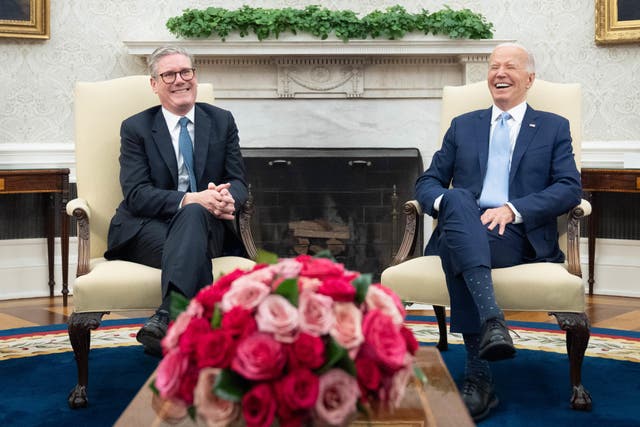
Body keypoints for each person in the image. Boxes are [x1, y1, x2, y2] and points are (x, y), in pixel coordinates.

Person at [415, 43, 581, 421]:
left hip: (515, 235)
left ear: (529, 79)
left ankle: (478, 374)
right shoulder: (464, 125)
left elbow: (569, 187)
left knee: (458, 245)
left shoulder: (553, 126)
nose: (499, 73)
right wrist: (449, 205)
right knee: (456, 201)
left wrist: (513, 209)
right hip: (463, 225)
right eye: (493, 66)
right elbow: (428, 182)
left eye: (510, 66)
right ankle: (493, 324)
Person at [104, 46, 249, 357]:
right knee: (194, 211)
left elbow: (238, 182)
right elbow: (136, 194)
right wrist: (192, 199)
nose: (180, 80)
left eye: (186, 72)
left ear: (195, 77)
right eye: (169, 74)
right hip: (144, 230)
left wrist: (227, 199)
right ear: (154, 84)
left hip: (207, 229)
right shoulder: (136, 128)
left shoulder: (222, 121)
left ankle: (168, 317)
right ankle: (189, 331)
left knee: (196, 215)